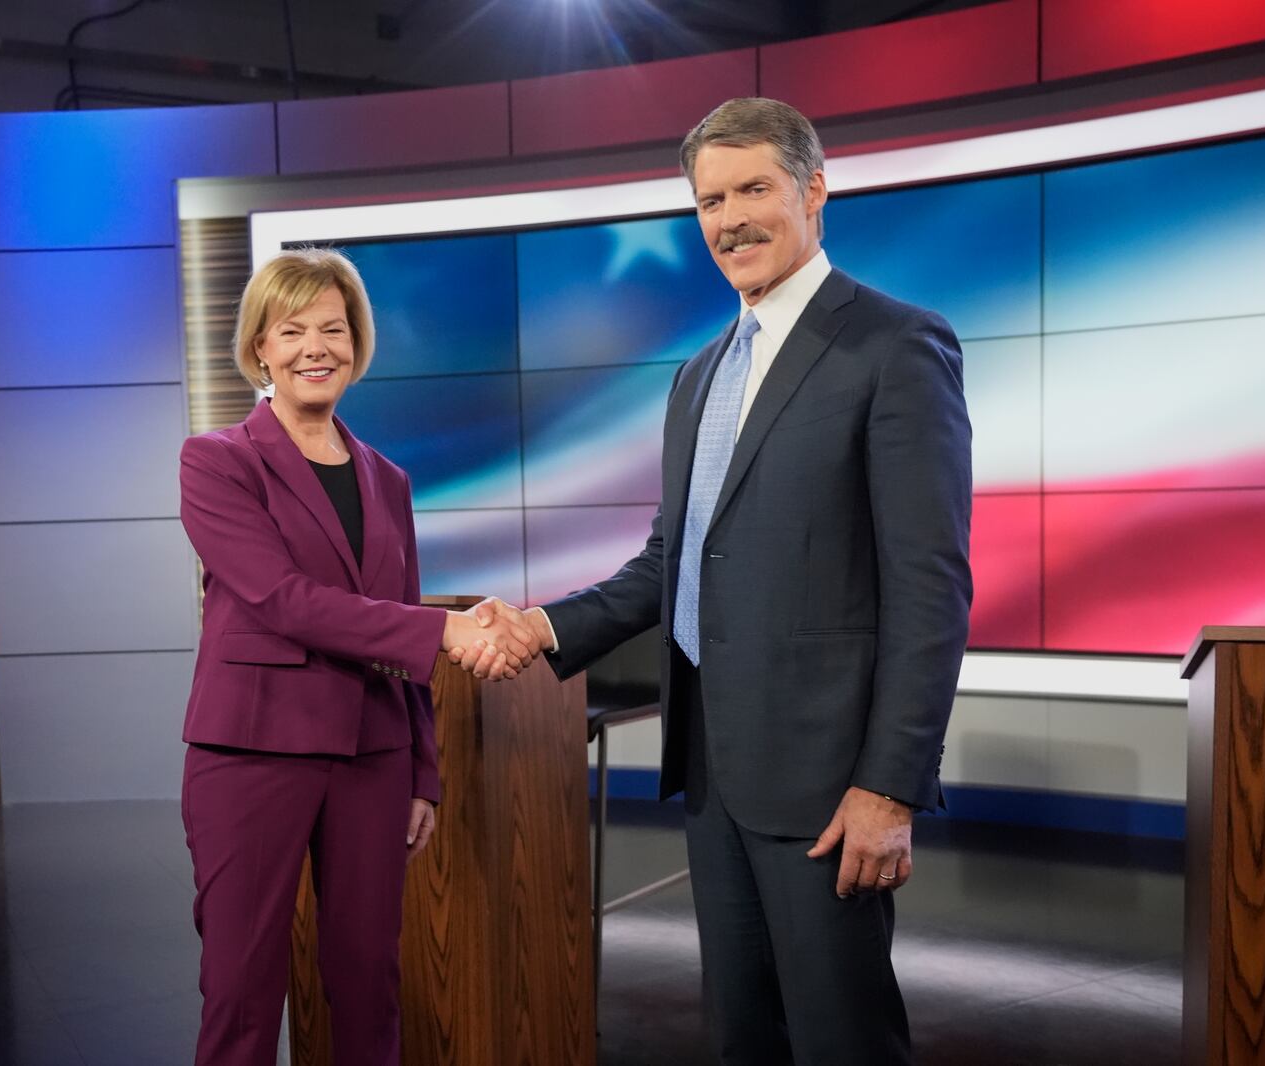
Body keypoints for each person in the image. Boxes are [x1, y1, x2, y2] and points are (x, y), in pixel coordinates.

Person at [456, 98, 972, 1064]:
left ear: (815, 190)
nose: (728, 219)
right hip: (715, 779)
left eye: (753, 190)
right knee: (744, 1041)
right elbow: (673, 560)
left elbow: (930, 589)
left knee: (843, 1042)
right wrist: (541, 628)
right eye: (708, 201)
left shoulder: (896, 347)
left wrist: (890, 788)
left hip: (829, 788)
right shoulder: (698, 376)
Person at [177, 248, 535, 1066]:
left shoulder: (388, 479)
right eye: (292, 330)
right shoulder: (216, 460)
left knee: (369, 982)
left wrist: (423, 771)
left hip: (373, 757)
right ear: (260, 347)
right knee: (240, 990)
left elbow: (392, 624)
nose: (316, 348)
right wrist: (445, 631)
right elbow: (279, 599)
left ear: (357, 343)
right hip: (251, 752)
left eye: (334, 329)